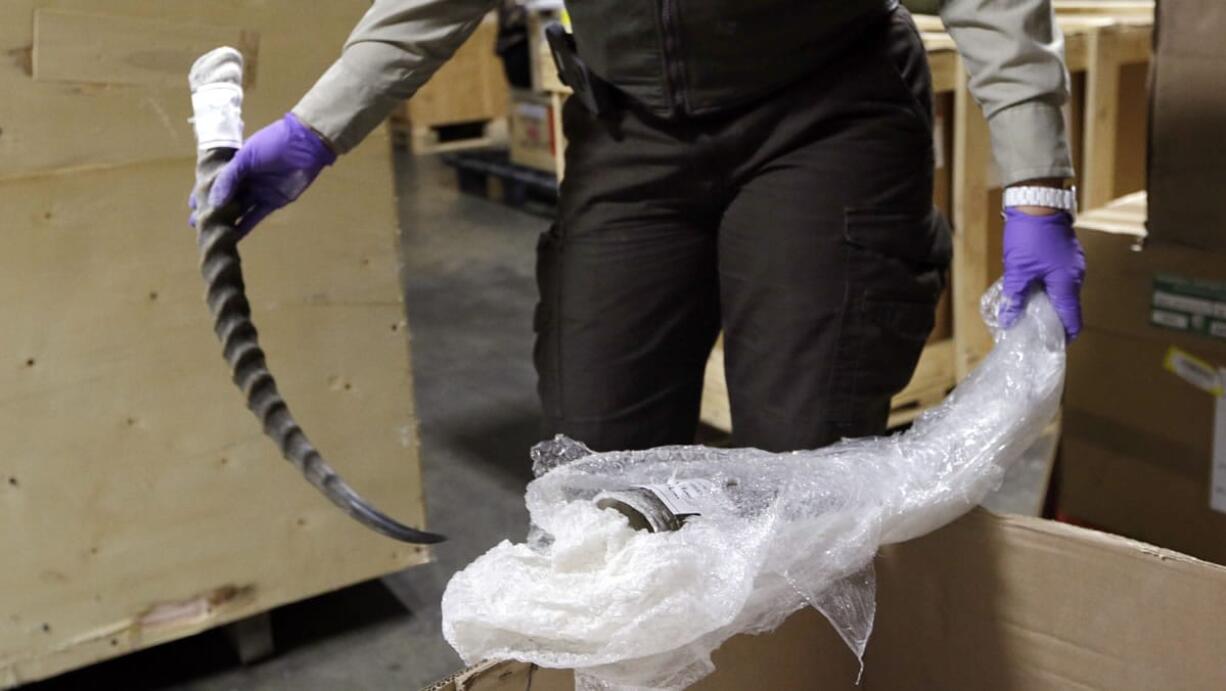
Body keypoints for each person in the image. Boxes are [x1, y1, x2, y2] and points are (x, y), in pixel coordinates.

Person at [190, 0, 1084, 454]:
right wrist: (317, 126)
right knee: (596, 445)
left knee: (804, 450)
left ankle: (798, 662)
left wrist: (1037, 184)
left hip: (824, 104)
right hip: (630, 120)